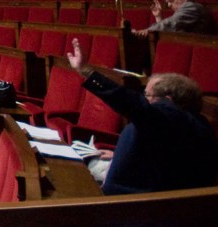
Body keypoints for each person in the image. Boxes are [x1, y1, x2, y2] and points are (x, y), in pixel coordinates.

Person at [67, 38, 218, 194]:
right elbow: (165, 156)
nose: (144, 99)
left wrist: (86, 71)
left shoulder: (172, 117)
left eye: (147, 95)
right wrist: (117, 153)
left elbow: (132, 104)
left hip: (133, 203)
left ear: (167, 100)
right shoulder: (186, 124)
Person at [135, 0, 216, 37]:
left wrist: (146, 30)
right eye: (167, 3)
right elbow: (169, 29)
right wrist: (158, 16)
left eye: (171, 1)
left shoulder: (191, 6)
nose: (169, 5)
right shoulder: (186, 9)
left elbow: (172, 23)